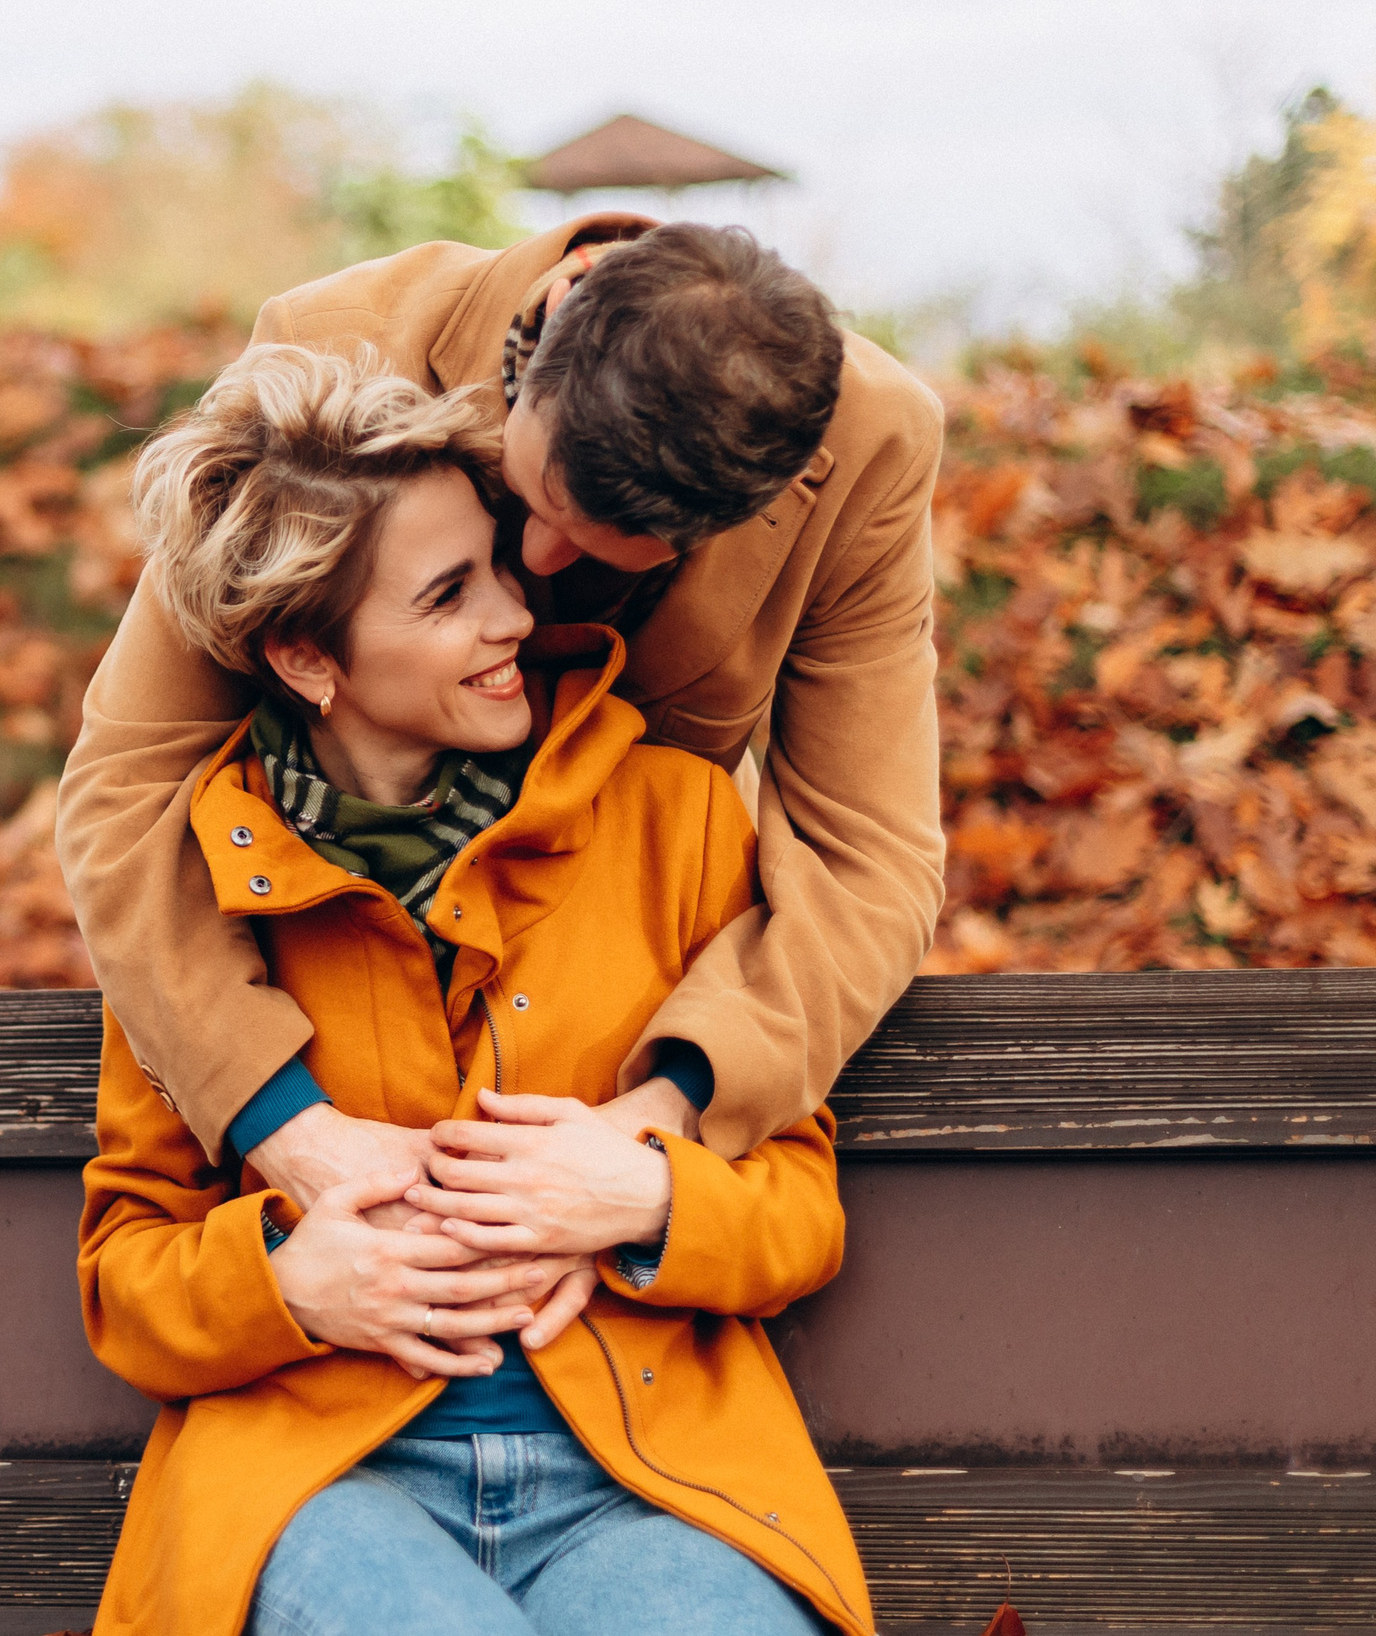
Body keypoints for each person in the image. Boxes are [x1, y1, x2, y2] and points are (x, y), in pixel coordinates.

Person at [77, 344, 868, 1636]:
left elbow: (800, 1208)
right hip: (323, 1481)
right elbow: (126, 1274)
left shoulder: (673, 817)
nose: (512, 614)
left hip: (643, 1479)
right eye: (448, 595)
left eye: (496, 565)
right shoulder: (194, 889)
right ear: (307, 657)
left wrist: (652, 1192)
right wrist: (292, 1279)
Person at [57, 219, 946, 1300]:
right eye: (524, 500)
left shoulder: (873, 445)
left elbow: (871, 856)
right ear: (543, 349)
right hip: (333, 953)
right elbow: (128, 783)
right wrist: (286, 1129)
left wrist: (651, 1132)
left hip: (629, 966)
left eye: (600, 549)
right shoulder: (336, 350)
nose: (534, 572)